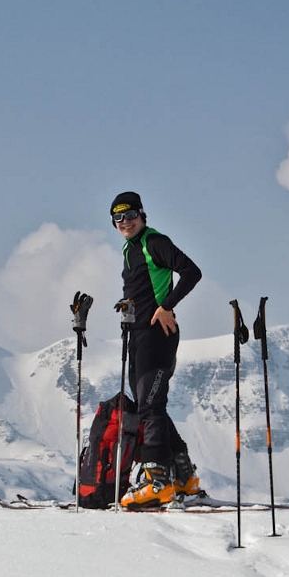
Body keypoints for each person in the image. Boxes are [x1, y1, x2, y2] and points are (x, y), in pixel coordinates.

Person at [109, 191, 204, 510]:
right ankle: (184, 478)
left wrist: (166, 306)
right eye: (118, 218)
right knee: (150, 406)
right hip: (138, 336)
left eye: (130, 214)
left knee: (150, 406)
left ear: (142, 214)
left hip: (158, 334)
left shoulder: (154, 241)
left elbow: (192, 272)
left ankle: (157, 482)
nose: (125, 221)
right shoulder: (128, 248)